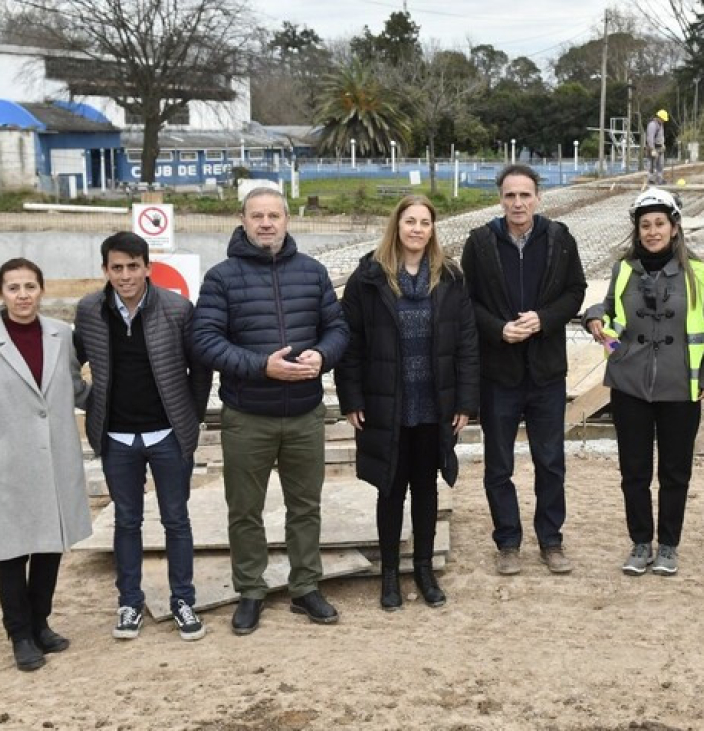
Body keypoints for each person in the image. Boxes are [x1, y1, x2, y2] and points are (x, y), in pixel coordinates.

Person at [192, 187, 349, 635]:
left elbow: (337, 328)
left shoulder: (313, 273)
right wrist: (263, 367)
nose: (266, 223)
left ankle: (305, 586)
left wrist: (323, 356)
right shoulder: (221, 278)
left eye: (274, 215)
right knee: (245, 509)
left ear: (286, 220)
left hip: (304, 414)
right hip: (247, 416)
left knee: (305, 506)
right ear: (243, 221)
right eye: (257, 216)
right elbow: (205, 341)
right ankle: (251, 590)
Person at [335, 195, 479, 611]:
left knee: (427, 490)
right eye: (409, 221)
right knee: (390, 489)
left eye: (424, 222)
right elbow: (351, 343)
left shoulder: (450, 277)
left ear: (433, 229)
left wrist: (465, 401)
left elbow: (467, 343)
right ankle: (389, 576)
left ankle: (424, 570)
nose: (417, 229)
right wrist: (353, 398)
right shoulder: (370, 277)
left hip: (434, 403)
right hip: (388, 402)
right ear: (396, 226)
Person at [73, 232, 211, 641]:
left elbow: (199, 368)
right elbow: (70, 359)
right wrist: (88, 401)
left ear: (148, 268)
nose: (125, 275)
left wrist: (191, 415)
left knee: (176, 519)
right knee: (126, 521)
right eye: (117, 267)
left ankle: (183, 600)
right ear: (105, 270)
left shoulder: (176, 309)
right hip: (117, 437)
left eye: (133, 266)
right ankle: (129, 603)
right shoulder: (90, 311)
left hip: (168, 434)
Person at [0, 258, 92, 671]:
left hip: (56, 461)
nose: (22, 295)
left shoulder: (61, 335)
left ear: (42, 290)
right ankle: (19, 634)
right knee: (12, 555)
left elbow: (74, 389)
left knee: (51, 548)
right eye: (14, 287)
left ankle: (41, 623)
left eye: (30, 286)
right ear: (1, 293)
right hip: (9, 469)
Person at [461, 164, 586, 576]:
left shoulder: (559, 238)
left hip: (546, 372)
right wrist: (500, 330)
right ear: (500, 198)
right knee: (499, 464)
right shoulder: (480, 244)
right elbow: (468, 303)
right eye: (510, 195)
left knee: (550, 460)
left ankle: (551, 540)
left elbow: (575, 291)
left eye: (525, 195)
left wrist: (544, 319)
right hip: (500, 375)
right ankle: (508, 541)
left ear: (538, 197)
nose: (518, 203)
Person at [584, 188, 704, 576]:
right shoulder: (624, 269)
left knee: (675, 472)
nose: (653, 231)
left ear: (674, 228)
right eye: (645, 225)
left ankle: (669, 545)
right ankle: (641, 542)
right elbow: (605, 306)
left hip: (680, 387)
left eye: (660, 223)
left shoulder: (700, 273)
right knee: (635, 471)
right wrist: (592, 316)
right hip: (630, 385)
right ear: (637, 230)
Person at [646, 109, 669, 184]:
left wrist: (663, 145)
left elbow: (660, 136)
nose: (664, 121)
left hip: (660, 148)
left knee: (660, 165)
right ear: (659, 117)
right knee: (652, 165)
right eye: (663, 119)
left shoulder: (661, 125)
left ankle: (660, 179)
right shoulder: (653, 125)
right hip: (654, 148)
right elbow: (650, 138)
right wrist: (652, 149)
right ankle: (651, 180)